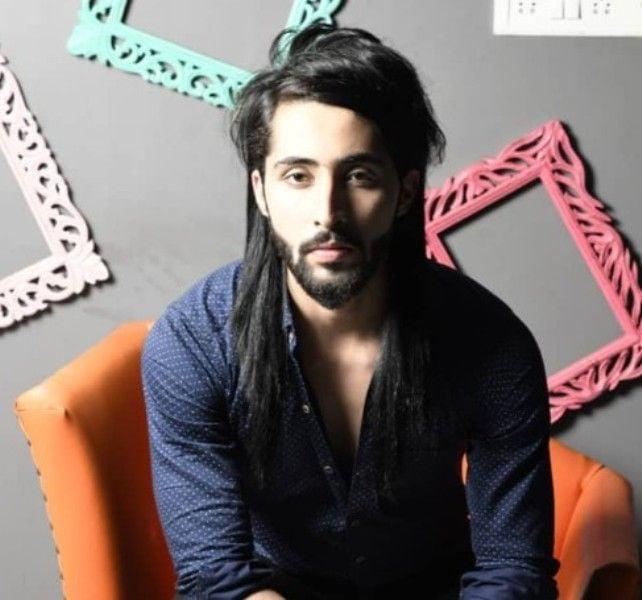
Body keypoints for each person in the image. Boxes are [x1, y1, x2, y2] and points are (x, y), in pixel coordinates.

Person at [141, 22, 561, 600]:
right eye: (298, 176)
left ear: (405, 192)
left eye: (359, 176)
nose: (328, 212)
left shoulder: (492, 345)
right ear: (261, 191)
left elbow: (513, 568)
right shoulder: (193, 342)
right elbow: (216, 577)